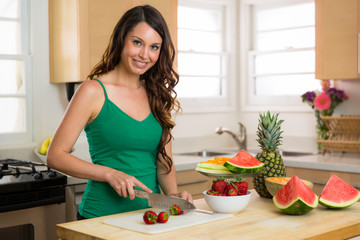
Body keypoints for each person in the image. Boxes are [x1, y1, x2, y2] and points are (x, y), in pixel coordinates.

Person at [47, 5, 192, 219]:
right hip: (100, 218)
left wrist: (174, 196)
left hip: (149, 219)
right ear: (121, 39)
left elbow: (163, 161)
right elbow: (55, 156)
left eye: (154, 47)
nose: (145, 54)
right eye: (137, 42)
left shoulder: (156, 94)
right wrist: (109, 173)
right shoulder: (92, 91)